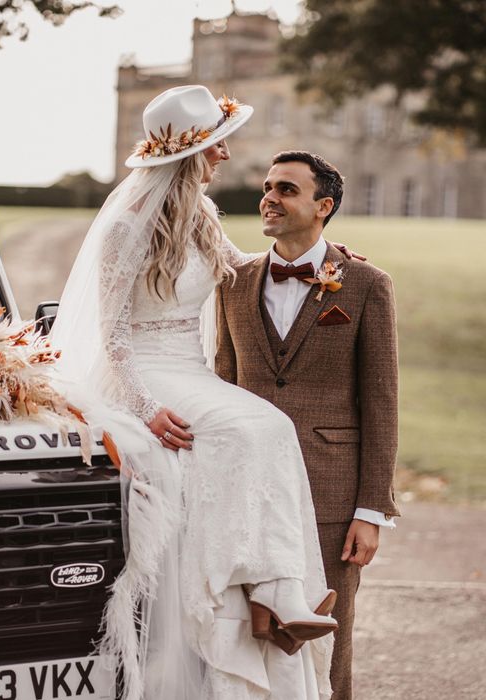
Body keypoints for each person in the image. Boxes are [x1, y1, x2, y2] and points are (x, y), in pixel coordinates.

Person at [51, 86, 336, 700]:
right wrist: (147, 409)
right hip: (145, 373)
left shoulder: (202, 215)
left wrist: (321, 263)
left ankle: (277, 597)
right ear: (189, 155)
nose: (226, 155)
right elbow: (114, 335)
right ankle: (260, 599)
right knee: (252, 427)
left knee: (269, 427)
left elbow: (246, 268)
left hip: (191, 368)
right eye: (214, 145)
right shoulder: (128, 226)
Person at [215, 151, 400, 699]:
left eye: (287, 189)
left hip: (331, 494)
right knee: (245, 636)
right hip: (245, 490)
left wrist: (371, 511)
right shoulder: (233, 281)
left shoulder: (367, 284)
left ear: (323, 206)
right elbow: (222, 383)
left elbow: (382, 403)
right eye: (268, 186)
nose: (269, 197)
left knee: (326, 643)